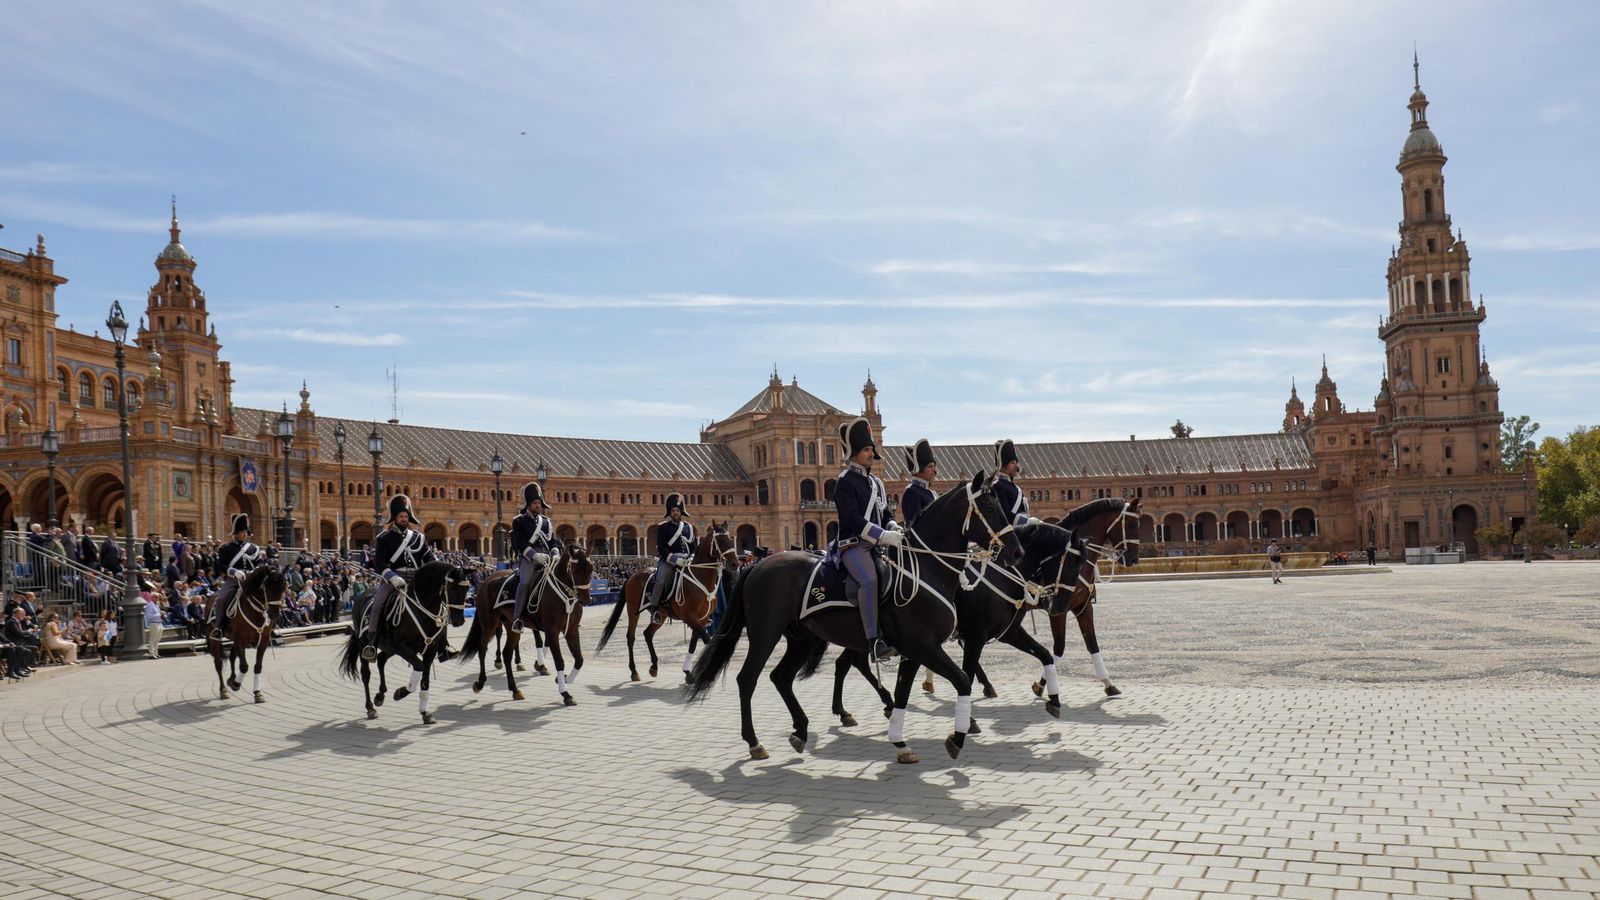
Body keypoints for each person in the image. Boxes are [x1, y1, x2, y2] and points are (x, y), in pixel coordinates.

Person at [835, 416, 901, 661]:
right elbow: (852, 519)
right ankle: (873, 641)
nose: (871, 453)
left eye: (872, 448)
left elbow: (884, 513)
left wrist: (893, 527)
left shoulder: (876, 483)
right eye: (866, 449)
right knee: (870, 581)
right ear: (853, 453)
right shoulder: (845, 482)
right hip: (854, 546)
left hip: (878, 545)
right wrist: (883, 535)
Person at [362, 494, 434, 661]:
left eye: (406, 516)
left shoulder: (418, 537)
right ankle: (372, 642)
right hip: (394, 579)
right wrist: (392, 577)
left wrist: (434, 569)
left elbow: (428, 557)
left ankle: (442, 644)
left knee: (437, 601)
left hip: (416, 578)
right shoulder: (384, 538)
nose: (404, 519)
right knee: (378, 603)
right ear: (394, 518)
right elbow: (379, 564)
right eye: (401, 516)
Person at [508, 481, 560, 631]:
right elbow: (521, 545)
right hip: (529, 558)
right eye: (535, 502)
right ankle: (517, 618)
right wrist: (535, 556)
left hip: (548, 558)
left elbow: (553, 542)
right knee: (524, 582)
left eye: (539, 502)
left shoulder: (547, 522)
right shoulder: (519, 521)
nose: (538, 505)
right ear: (528, 504)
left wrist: (555, 553)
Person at [208, 515, 265, 641]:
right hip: (234, 579)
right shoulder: (226, 548)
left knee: (267, 596)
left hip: (251, 579)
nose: (245, 534)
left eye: (246, 532)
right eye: (242, 532)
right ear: (235, 533)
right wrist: (234, 572)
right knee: (222, 598)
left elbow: (260, 562)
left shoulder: (253, 548)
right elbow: (221, 566)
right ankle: (219, 627)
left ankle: (269, 627)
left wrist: (255, 570)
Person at [645, 492, 696, 617]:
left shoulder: (689, 527)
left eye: (678, 510)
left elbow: (694, 547)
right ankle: (655, 608)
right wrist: (675, 560)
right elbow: (661, 548)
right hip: (669, 561)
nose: (676, 513)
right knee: (661, 580)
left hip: (687, 561)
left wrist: (692, 557)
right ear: (670, 512)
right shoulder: (663, 527)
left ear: (681, 512)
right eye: (673, 510)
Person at [991, 439, 1041, 528]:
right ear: (1003, 465)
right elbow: (1005, 515)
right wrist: (1029, 522)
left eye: (1016, 462)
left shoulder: (1015, 487)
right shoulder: (998, 486)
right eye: (1012, 463)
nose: (1016, 466)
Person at [899, 438, 939, 528]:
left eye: (934, 466)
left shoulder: (932, 493)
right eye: (930, 467)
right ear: (918, 470)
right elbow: (914, 528)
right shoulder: (912, 492)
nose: (935, 471)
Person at [143, 591, 164, 657]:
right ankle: (151, 653)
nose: (157, 598)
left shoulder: (157, 605)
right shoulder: (149, 605)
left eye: (158, 597)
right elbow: (149, 616)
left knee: (157, 639)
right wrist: (159, 614)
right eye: (156, 597)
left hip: (159, 623)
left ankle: (156, 653)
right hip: (153, 623)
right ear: (152, 598)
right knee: (152, 639)